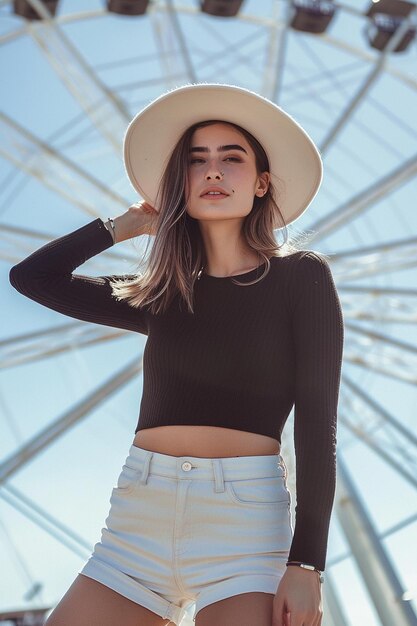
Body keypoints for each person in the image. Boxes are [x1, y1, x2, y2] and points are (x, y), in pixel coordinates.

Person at [9, 83, 344, 626]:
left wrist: (307, 562)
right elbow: (31, 278)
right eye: (195, 161)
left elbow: (316, 423)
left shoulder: (301, 277)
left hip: (245, 523)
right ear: (177, 185)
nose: (213, 171)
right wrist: (131, 223)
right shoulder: (162, 293)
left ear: (262, 183)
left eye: (231, 158)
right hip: (138, 515)